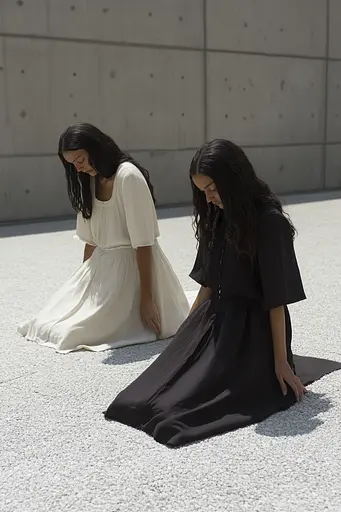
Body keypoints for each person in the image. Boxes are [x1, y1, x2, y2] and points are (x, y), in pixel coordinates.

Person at [104, 139, 341, 447]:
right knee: (133, 402)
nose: (209, 197)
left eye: (213, 188)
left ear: (234, 179)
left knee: (176, 413)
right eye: (202, 190)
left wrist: (281, 361)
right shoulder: (216, 214)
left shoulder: (270, 224)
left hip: (250, 331)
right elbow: (207, 282)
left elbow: (276, 301)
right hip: (213, 317)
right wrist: (184, 336)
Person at [18, 123, 189, 353]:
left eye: (80, 160)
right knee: (46, 324)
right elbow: (92, 241)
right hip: (102, 271)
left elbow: (144, 243)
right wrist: (82, 287)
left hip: (134, 272)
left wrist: (147, 300)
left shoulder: (128, 177)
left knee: (70, 334)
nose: (77, 169)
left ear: (95, 149)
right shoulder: (89, 180)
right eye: (72, 164)